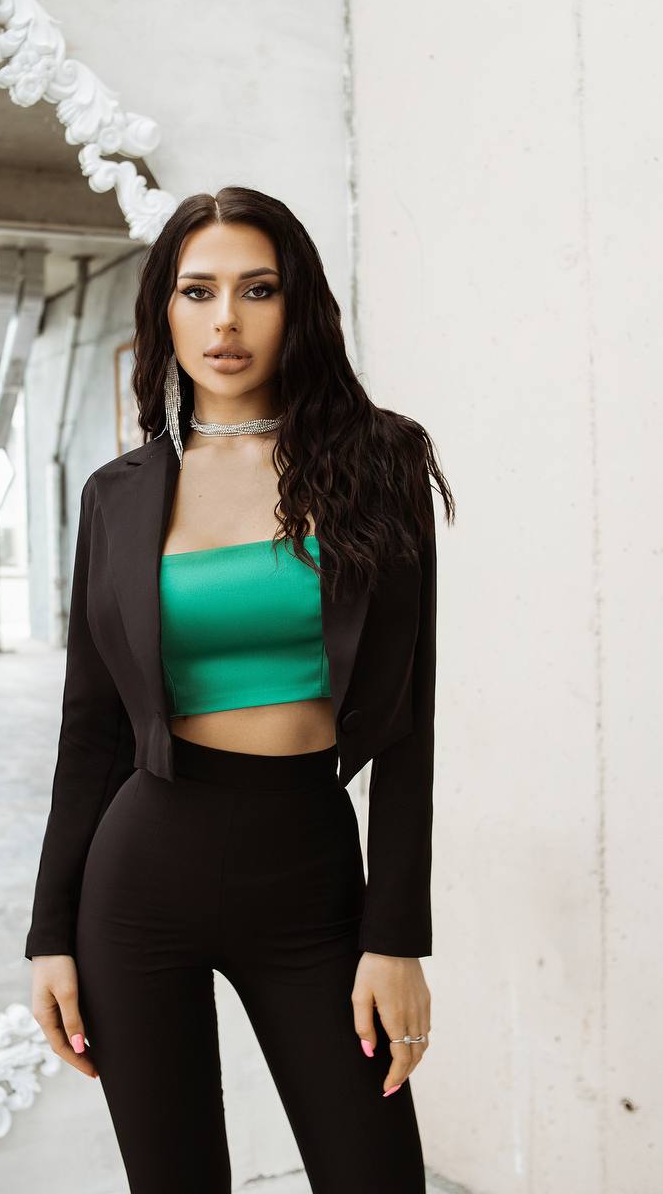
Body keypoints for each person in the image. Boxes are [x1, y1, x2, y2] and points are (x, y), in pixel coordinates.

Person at [25, 186, 456, 1193]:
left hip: (308, 876)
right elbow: (90, 727)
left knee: (376, 1176)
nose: (225, 319)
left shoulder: (376, 462)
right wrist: (50, 931)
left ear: (294, 304)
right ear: (162, 312)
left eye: (256, 289)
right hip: (137, 880)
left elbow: (409, 722)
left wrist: (395, 934)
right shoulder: (119, 493)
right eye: (198, 290)